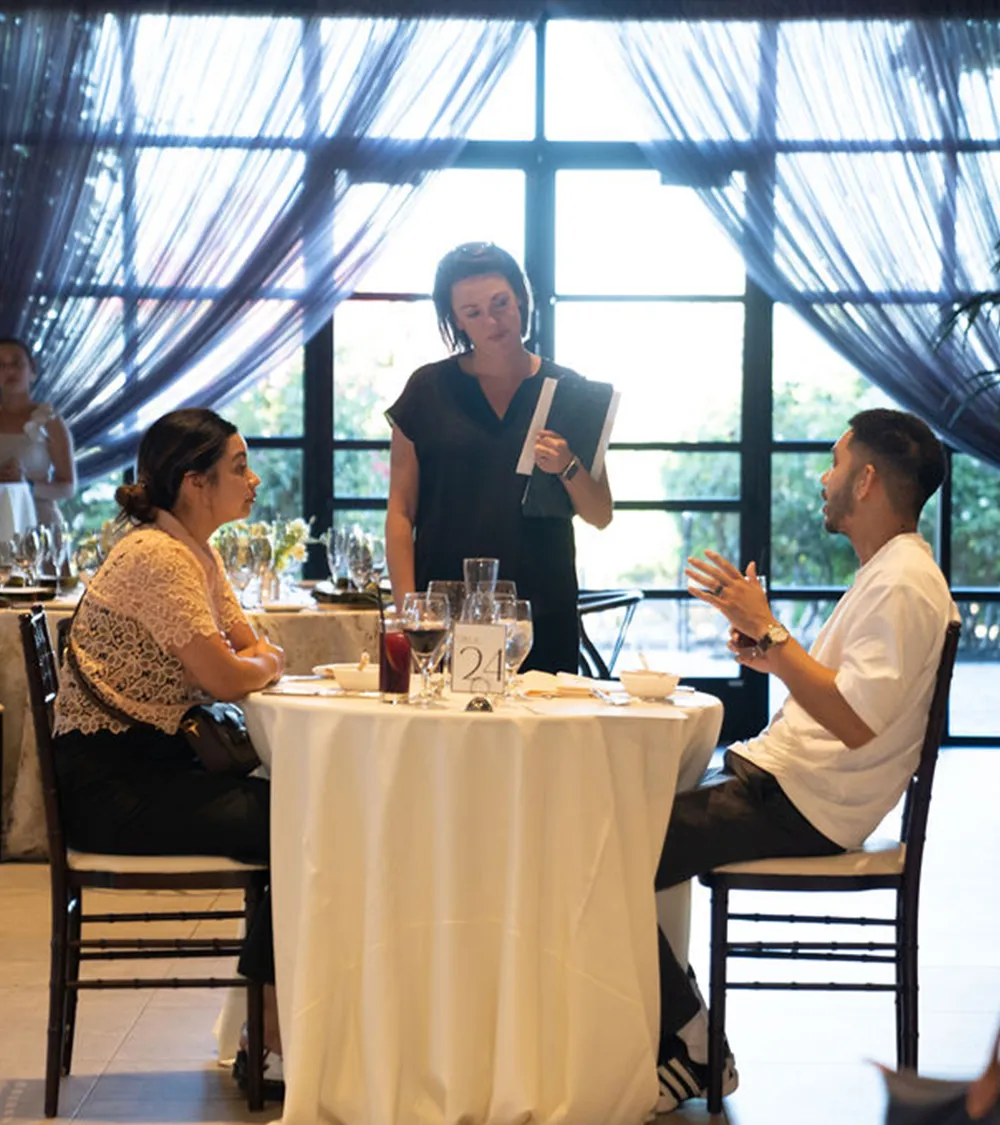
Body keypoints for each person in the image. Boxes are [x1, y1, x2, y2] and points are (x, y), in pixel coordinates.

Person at [651, 408, 956, 1114]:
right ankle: (674, 1034)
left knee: (603, 846)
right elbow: (843, 698)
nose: (824, 479)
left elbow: (854, 721)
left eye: (835, 462)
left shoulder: (905, 581)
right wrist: (769, 649)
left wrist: (771, 629)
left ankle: (695, 1043)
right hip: (787, 785)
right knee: (615, 819)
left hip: (802, 805)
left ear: (868, 479)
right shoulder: (891, 570)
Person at [51, 408, 286, 1082]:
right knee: (303, 820)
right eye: (239, 467)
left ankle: (271, 1022)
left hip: (151, 768)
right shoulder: (157, 556)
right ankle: (265, 1030)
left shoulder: (192, 549)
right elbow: (229, 673)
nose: (254, 479)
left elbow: (246, 646)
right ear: (194, 481)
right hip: (112, 786)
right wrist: (263, 664)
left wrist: (256, 661)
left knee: (297, 810)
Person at [385, 242, 613, 674]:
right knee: (449, 741)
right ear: (456, 320)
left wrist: (567, 464)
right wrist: (409, 612)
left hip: (539, 616)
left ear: (521, 298)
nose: (492, 320)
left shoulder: (569, 392)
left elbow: (601, 513)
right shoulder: (427, 389)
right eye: (473, 312)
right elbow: (400, 511)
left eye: (501, 303)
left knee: (542, 741)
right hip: (446, 616)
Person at [0, 337, 76, 527]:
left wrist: (28, 485)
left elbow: (67, 487)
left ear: (31, 369)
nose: (9, 370)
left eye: (16, 363)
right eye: (0, 365)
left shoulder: (49, 420)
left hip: (38, 522)